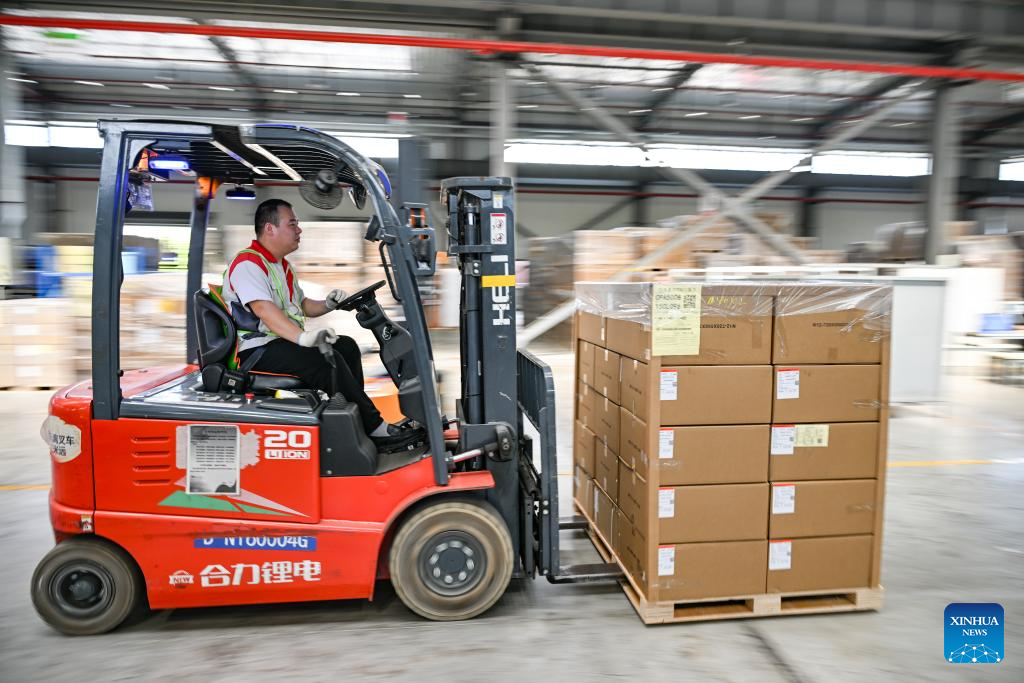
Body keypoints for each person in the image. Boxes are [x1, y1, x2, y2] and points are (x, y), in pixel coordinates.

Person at [221, 198, 417, 447]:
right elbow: (263, 310)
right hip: (254, 351)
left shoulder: (282, 267)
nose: (299, 229)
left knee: (346, 346)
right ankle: (374, 426)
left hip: (277, 343)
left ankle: (354, 422)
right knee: (321, 359)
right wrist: (303, 338)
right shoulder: (248, 264)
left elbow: (303, 306)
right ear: (270, 228)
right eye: (292, 224)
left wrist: (329, 303)